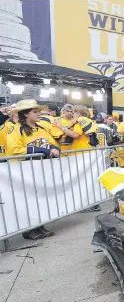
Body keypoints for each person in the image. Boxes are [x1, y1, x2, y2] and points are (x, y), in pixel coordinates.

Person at [7, 99, 60, 239]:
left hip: (39, 170)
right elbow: (15, 150)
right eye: (35, 112)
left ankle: (39, 226)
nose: (39, 114)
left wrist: (54, 149)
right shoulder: (15, 129)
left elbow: (52, 143)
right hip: (22, 170)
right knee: (27, 200)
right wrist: (41, 150)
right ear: (25, 114)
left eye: (39, 111)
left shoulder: (41, 128)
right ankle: (28, 230)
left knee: (39, 199)